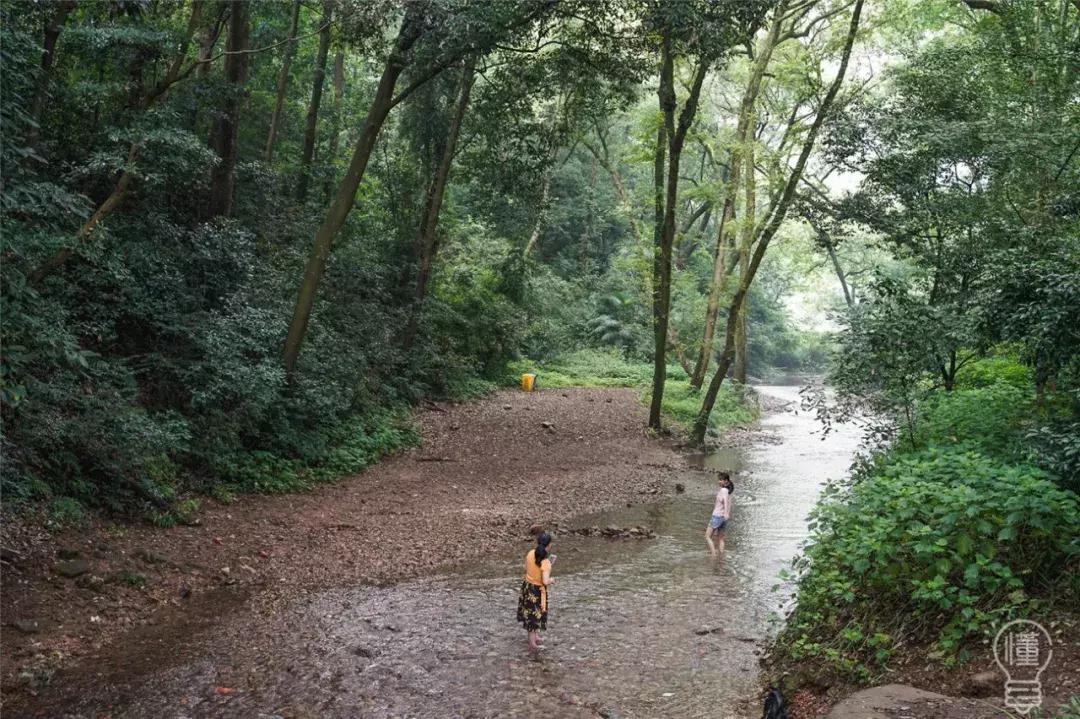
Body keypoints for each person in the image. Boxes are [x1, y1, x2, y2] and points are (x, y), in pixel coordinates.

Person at [517, 531, 555, 649]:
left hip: (527, 587)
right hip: (537, 591)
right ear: (549, 546)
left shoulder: (530, 553)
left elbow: (528, 568)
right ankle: (532, 644)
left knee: (531, 614)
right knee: (535, 615)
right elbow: (545, 581)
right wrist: (552, 579)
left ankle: (536, 636)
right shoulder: (545, 562)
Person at [705, 472, 734, 556]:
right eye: (719, 479)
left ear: (726, 481)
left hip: (717, 516)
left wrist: (726, 513)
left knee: (707, 536)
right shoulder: (728, 492)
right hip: (723, 519)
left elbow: (725, 501)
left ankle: (713, 555)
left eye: (721, 480)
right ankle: (720, 557)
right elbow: (729, 504)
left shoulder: (723, 490)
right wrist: (727, 514)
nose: (719, 481)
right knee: (721, 539)